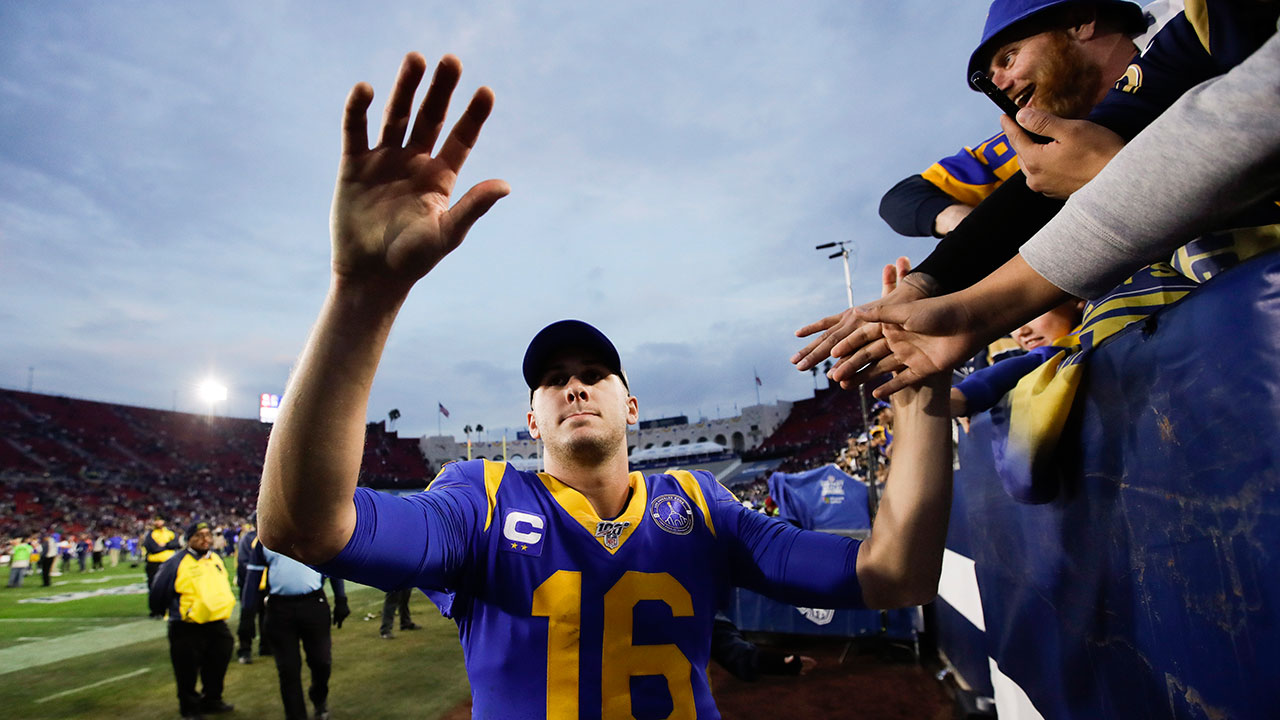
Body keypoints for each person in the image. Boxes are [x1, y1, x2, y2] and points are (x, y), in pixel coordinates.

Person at [257, 53, 954, 718]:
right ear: (532, 420)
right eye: (554, 381)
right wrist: (363, 294)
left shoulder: (700, 507)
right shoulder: (482, 502)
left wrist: (920, 400)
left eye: (594, 375)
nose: (574, 388)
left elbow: (895, 576)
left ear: (632, 405)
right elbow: (301, 527)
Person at [793, 0, 1280, 392]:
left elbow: (1224, 142)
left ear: (1081, 20)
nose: (999, 86)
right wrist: (930, 285)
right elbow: (911, 200)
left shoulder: (1186, 26)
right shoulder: (1051, 133)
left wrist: (1113, 173)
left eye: (1007, 58)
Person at [243, 534, 349, 720]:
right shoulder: (266, 539)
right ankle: (295, 715)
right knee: (288, 669)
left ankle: (319, 698)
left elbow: (332, 566)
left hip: (314, 603)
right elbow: (252, 579)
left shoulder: (316, 531)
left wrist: (341, 598)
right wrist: (247, 616)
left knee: (322, 662)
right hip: (279, 609)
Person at [149, 521, 237, 720]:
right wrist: (167, 612)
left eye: (208, 535)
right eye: (199, 535)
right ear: (189, 539)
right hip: (187, 626)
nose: (205, 539)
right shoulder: (176, 561)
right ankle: (189, 708)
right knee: (186, 671)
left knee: (217, 664)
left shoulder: (215, 558)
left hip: (216, 624)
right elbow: (158, 591)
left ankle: (212, 700)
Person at [145, 517, 182, 596]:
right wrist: (168, 546)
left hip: (170, 561)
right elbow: (152, 548)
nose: (158, 522)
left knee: (172, 584)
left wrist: (164, 545)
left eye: (160, 520)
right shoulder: (150, 534)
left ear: (164, 521)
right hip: (154, 563)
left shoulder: (170, 532)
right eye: (156, 520)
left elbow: (176, 544)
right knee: (154, 585)